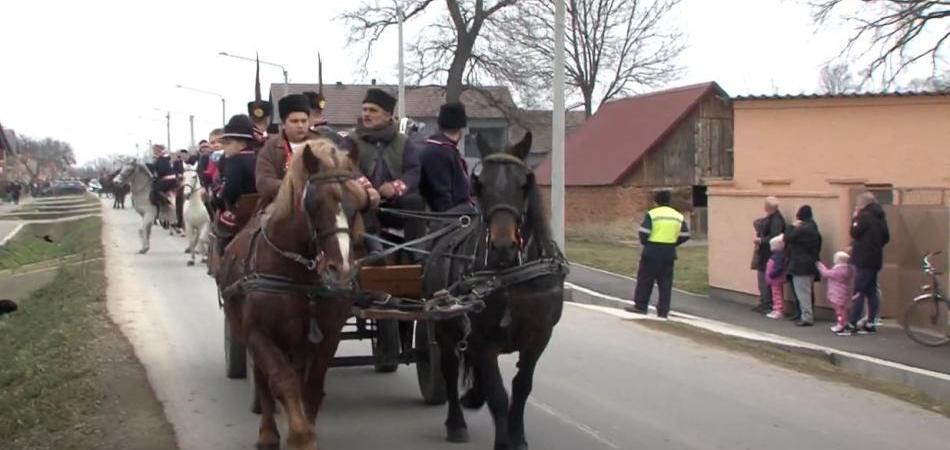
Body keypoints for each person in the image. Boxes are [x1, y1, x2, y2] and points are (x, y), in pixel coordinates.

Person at [347, 88, 424, 248]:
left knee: (415, 202)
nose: (366, 114)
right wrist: (367, 189)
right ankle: (375, 250)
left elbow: (413, 171)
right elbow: (347, 166)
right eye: (364, 110)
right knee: (362, 202)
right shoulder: (351, 140)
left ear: (388, 115)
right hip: (363, 203)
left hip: (394, 204)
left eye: (373, 110)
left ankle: (415, 252)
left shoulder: (403, 141)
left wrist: (395, 188)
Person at [624, 190, 690, 318]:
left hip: (652, 251)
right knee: (665, 283)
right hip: (669, 252)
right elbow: (685, 235)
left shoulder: (653, 214)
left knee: (645, 280)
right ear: (669, 201)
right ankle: (663, 310)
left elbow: (644, 232)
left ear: (656, 201)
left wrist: (646, 243)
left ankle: (641, 306)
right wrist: (673, 242)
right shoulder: (677, 216)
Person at [212, 115, 260, 253]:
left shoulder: (235, 160)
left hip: (241, 212)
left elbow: (231, 190)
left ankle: (223, 261)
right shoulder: (258, 157)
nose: (224, 147)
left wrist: (218, 197)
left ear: (242, 143)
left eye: (228, 143)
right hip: (261, 209)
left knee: (221, 226)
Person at [255, 94, 312, 209]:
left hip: (318, 201)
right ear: (283, 124)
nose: (300, 125)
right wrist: (293, 188)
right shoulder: (270, 147)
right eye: (294, 121)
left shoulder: (320, 144)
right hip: (280, 202)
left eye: (304, 121)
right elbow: (264, 181)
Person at [848, 192, 890, 334]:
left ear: (863, 203)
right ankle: (871, 321)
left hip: (863, 258)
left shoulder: (863, 216)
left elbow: (854, 232)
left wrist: (855, 218)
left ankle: (853, 322)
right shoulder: (880, 217)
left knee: (859, 291)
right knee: (871, 290)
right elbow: (886, 237)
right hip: (875, 258)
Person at [418, 102, 472, 213]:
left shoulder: (444, 149)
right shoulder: (439, 151)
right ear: (461, 129)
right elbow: (441, 195)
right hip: (449, 217)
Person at [783, 205, 822, 326]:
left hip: (800, 265)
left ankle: (806, 317)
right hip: (810, 263)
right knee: (807, 291)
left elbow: (787, 237)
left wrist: (791, 226)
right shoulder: (814, 228)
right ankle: (806, 314)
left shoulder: (802, 229)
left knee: (802, 292)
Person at [752, 196, 786, 314]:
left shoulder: (776, 220)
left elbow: (774, 236)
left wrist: (761, 240)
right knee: (763, 278)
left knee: (765, 278)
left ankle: (767, 303)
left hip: (768, 254)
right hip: (766, 253)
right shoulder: (771, 218)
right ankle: (765, 301)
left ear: (767, 207)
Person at [817, 251, 855, 335]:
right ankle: (844, 323)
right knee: (843, 309)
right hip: (845, 292)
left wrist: (821, 266)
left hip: (836, 293)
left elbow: (826, 273)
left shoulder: (838, 270)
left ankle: (841, 324)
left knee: (839, 310)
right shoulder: (849, 269)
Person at [765, 235, 787, 320]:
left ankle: (778, 310)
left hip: (776, 279)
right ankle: (777, 309)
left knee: (777, 295)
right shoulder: (778, 255)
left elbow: (778, 267)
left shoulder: (778, 256)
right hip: (775, 279)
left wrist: (772, 274)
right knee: (776, 294)